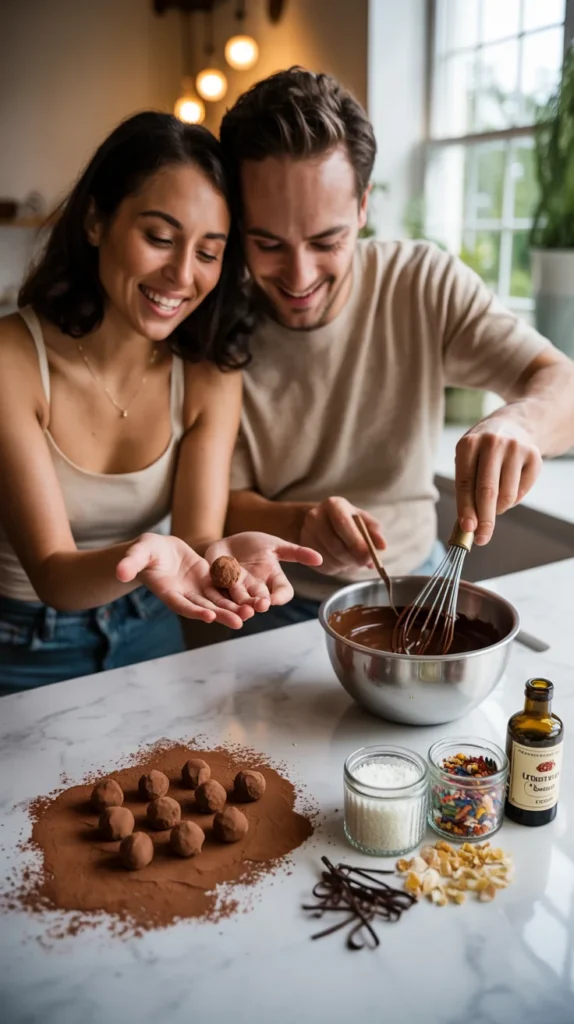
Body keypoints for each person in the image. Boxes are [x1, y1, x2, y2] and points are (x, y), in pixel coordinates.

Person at [191, 66, 574, 640]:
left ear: (363, 207)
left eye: (327, 241)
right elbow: (210, 503)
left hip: (416, 579)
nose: (299, 276)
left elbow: (562, 385)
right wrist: (300, 523)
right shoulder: (212, 317)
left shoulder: (420, 281)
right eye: (267, 243)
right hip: (266, 600)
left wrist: (521, 423)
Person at [0, 111, 321, 693]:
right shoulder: (11, 362)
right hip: (21, 643)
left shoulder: (208, 373)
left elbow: (194, 544)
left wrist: (221, 554)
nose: (180, 275)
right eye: (160, 238)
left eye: (208, 252)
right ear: (96, 220)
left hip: (148, 627)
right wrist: (152, 555)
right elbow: (53, 575)